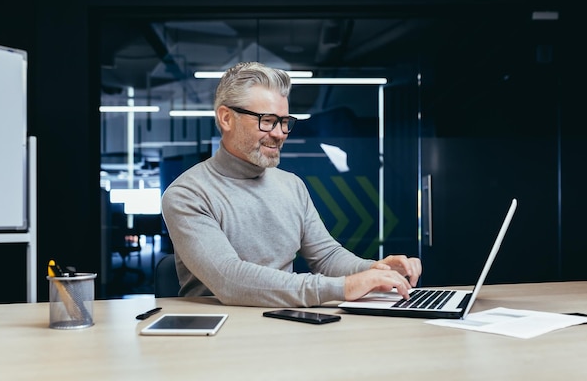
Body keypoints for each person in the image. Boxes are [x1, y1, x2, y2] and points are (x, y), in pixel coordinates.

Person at [161, 61, 421, 307]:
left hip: (285, 322)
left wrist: (375, 270)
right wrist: (343, 287)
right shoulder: (187, 194)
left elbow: (326, 256)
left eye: (284, 122)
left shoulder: (292, 185)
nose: (278, 134)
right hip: (219, 333)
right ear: (227, 118)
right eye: (267, 120)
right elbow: (229, 280)